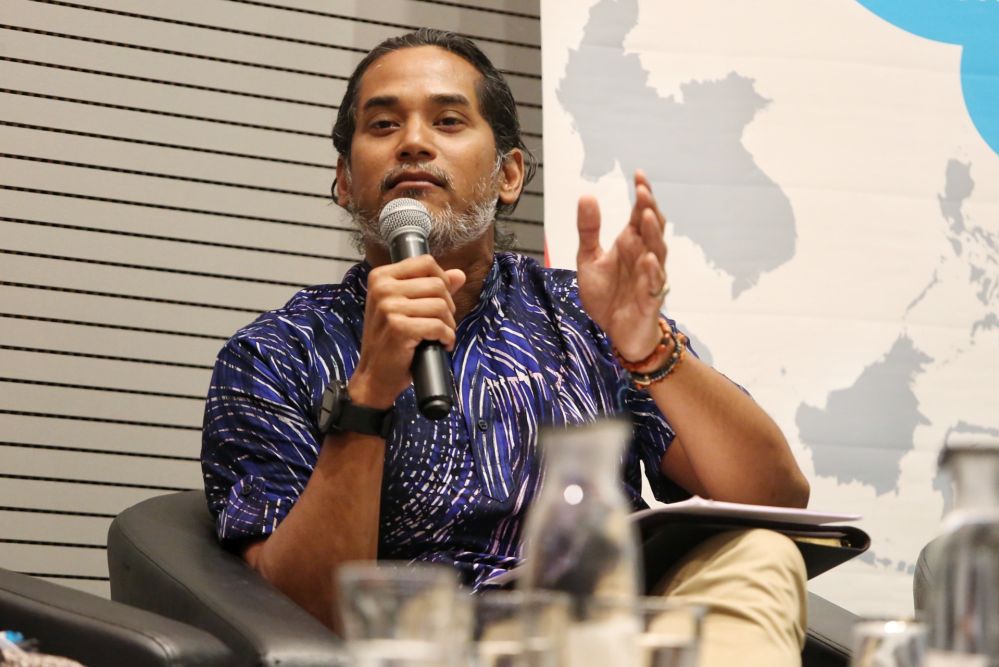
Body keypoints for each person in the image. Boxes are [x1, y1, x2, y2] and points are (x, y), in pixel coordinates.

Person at [201, 28, 811, 666]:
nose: (413, 142)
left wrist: (649, 350)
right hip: (425, 648)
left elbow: (774, 498)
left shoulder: (583, 315)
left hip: (603, 634)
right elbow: (299, 611)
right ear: (346, 183)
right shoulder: (272, 355)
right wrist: (369, 396)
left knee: (759, 551)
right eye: (382, 125)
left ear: (509, 175)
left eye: (447, 120)